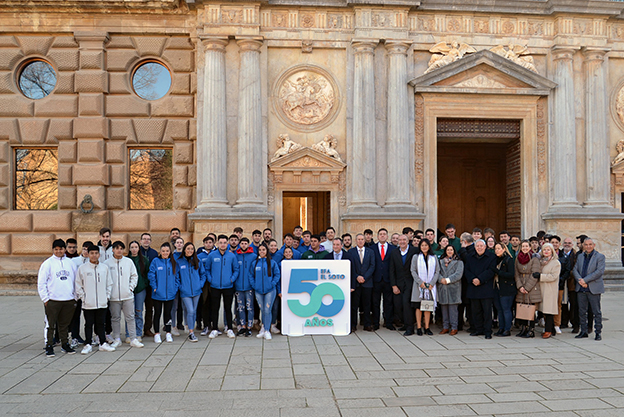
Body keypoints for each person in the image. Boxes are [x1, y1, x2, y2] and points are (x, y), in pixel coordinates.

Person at [38, 239, 78, 357]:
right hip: (53, 300)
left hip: (68, 299)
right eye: (56, 249)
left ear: (64, 249)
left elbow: (76, 280)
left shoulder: (70, 263)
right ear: (53, 250)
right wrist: (45, 299)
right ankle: (49, 345)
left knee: (64, 325)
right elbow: (41, 282)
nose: (59, 251)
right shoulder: (47, 263)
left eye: (61, 249)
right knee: (51, 324)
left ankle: (65, 344)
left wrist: (75, 296)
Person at [76, 244, 115, 354]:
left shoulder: (104, 268)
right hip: (88, 302)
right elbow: (78, 285)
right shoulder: (82, 268)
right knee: (88, 324)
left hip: (102, 302)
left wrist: (106, 296)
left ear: (99, 254)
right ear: (88, 254)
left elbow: (109, 283)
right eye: (91, 253)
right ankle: (88, 344)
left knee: (101, 323)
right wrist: (83, 298)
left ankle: (102, 343)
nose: (94, 255)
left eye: (96, 253)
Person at [105, 241, 143, 348]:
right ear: (112, 249)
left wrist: (130, 288)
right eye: (116, 248)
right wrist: (109, 293)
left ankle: (133, 338)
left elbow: (134, 276)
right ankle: (117, 338)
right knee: (115, 318)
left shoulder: (128, 262)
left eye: (121, 248)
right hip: (114, 297)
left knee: (130, 317)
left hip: (127, 296)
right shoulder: (107, 263)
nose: (119, 250)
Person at [203, 235, 239, 339]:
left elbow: (236, 269)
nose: (223, 244)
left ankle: (229, 329)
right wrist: (211, 279)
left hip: (228, 286)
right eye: (221, 242)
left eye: (224, 242)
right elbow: (207, 269)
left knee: (228, 308)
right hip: (215, 286)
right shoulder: (212, 255)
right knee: (215, 308)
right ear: (217, 243)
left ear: (227, 244)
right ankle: (214, 329)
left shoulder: (231, 256)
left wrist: (231, 279)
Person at [572, 238, 605, 341]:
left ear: (594, 245)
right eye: (586, 245)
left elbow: (599, 271)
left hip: (593, 287)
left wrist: (585, 280)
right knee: (582, 311)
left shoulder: (600, 257)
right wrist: (580, 281)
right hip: (581, 288)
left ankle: (598, 332)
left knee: (596, 312)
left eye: (590, 244)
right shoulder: (580, 256)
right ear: (583, 246)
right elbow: (575, 269)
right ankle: (583, 331)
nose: (588, 246)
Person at [464, 239, 496, 339]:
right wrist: (473, 279)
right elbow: (466, 270)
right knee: (475, 311)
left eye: (481, 246)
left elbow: (491, 270)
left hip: (486, 288)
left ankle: (487, 331)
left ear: (485, 247)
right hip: (474, 287)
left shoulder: (491, 257)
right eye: (477, 246)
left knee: (487, 311)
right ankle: (478, 329)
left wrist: (480, 279)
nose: (479, 248)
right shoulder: (470, 257)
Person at [148, 242, 179, 344]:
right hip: (158, 294)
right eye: (163, 251)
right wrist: (155, 287)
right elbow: (151, 274)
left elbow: (177, 277)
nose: (165, 253)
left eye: (167, 251)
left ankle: (168, 332)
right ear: (160, 252)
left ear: (170, 252)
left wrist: (175, 288)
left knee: (168, 314)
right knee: (157, 313)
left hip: (170, 293)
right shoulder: (156, 261)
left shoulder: (173, 262)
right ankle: (157, 333)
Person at [176, 242, 206, 343]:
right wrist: (181, 287)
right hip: (185, 292)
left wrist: (200, 284)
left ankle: (190, 329)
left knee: (193, 311)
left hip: (197, 291)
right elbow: (177, 277)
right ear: (184, 250)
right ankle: (191, 332)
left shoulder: (197, 261)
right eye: (188, 249)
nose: (190, 251)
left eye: (192, 249)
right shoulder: (179, 262)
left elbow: (203, 274)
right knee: (191, 311)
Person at [249, 243, 280, 340]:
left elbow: (277, 274)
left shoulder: (272, 262)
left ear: (267, 251)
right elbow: (251, 275)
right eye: (260, 250)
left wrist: (272, 284)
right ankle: (263, 329)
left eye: (264, 250)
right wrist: (254, 285)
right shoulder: (255, 263)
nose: (262, 251)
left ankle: (267, 330)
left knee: (267, 310)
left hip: (270, 290)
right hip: (258, 290)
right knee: (262, 310)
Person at [389, 234, 418, 336]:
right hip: (398, 283)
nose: (402, 241)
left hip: (411, 283)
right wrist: (393, 285)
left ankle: (410, 328)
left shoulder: (414, 251)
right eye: (400, 240)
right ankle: (406, 324)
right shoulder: (394, 253)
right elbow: (391, 270)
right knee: (398, 305)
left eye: (404, 240)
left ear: (408, 241)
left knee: (407, 305)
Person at [410, 239, 439, 336]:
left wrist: (432, 283)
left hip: (430, 287)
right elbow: (413, 271)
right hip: (419, 286)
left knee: (427, 306)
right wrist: (420, 282)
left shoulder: (433, 257)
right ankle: (418, 327)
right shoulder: (416, 257)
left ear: (429, 246)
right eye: (422, 245)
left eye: (426, 245)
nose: (424, 247)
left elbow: (437, 271)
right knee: (418, 307)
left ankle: (427, 327)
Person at [348, 234, 375, 331]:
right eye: (358, 239)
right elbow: (350, 266)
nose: (360, 241)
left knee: (367, 305)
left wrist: (364, 277)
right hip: (355, 283)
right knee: (354, 305)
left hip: (367, 282)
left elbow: (372, 266)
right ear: (355, 240)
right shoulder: (350, 252)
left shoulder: (370, 252)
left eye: (362, 239)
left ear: (365, 240)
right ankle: (353, 324)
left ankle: (367, 324)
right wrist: (357, 277)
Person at [515, 240, 541, 338]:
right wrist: (520, 286)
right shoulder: (518, 258)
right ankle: (523, 328)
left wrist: (527, 288)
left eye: (527, 246)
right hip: (521, 286)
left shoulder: (534, 258)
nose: (525, 248)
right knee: (522, 308)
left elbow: (535, 274)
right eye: (523, 246)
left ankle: (531, 330)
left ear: (530, 247)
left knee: (530, 309)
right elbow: (516, 273)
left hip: (531, 287)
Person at [372, 228, 395, 331]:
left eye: (384, 234)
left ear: (387, 236)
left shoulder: (392, 249)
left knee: (388, 302)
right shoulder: (372, 248)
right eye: (380, 234)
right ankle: (376, 323)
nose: (382, 236)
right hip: (376, 280)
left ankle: (388, 322)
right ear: (377, 236)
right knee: (375, 302)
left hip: (388, 279)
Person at [437, 245, 463, 335]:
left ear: (454, 251)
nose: (449, 251)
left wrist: (447, 280)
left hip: (453, 288)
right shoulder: (440, 262)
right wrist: (441, 279)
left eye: (451, 250)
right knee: (444, 309)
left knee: (453, 310)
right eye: (448, 250)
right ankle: (445, 327)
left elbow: (458, 274)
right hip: (443, 287)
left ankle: (454, 327)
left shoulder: (459, 262)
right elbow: (437, 272)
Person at [537, 243, 561, 339]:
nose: (546, 251)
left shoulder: (556, 263)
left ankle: (548, 330)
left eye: (548, 250)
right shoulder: (541, 261)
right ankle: (550, 329)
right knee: (543, 310)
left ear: (552, 251)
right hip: (542, 288)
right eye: (544, 250)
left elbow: (553, 276)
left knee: (549, 310)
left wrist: (540, 276)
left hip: (550, 289)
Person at [128, 241, 149, 343]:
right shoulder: (127, 260)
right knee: (129, 313)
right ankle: (129, 334)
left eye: (136, 247)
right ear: (129, 249)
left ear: (139, 248)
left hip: (140, 289)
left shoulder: (144, 260)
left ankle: (138, 333)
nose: (134, 249)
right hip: (128, 290)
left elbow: (147, 273)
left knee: (139, 312)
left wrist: (144, 283)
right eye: (132, 247)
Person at [492, 243, 515, 337]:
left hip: (507, 288)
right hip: (497, 288)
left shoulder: (509, 260)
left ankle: (507, 329)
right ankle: (501, 328)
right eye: (495, 249)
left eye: (499, 248)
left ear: (504, 249)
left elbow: (511, 275)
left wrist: (498, 272)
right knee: (499, 309)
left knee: (506, 309)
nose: (497, 250)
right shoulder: (495, 260)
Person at [550, 236, 571, 334]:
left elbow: (567, 270)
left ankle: (557, 324)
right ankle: (548, 324)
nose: (554, 244)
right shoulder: (545, 255)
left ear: (559, 244)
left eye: (556, 242)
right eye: (552, 242)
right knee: (547, 305)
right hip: (548, 285)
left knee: (558, 305)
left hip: (559, 285)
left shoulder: (564, 256)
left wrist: (560, 280)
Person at [235, 238, 256, 337]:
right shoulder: (236, 255)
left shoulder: (253, 256)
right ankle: (243, 326)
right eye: (242, 244)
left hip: (249, 287)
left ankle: (249, 327)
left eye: (245, 244)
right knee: (240, 307)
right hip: (239, 286)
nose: (244, 245)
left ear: (248, 244)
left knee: (250, 307)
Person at [139, 233, 158, 338]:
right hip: (140, 284)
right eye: (144, 239)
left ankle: (147, 328)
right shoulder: (137, 251)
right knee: (138, 308)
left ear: (150, 241)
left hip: (151, 285)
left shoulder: (154, 253)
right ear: (141, 241)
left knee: (150, 308)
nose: (146, 241)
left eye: (148, 239)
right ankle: (138, 329)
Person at [562, 237, 579, 332]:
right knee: (563, 303)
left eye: (569, 243)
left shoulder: (576, 255)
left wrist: (569, 274)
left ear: (572, 245)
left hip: (572, 283)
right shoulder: (560, 254)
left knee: (573, 303)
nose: (567, 244)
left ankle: (573, 322)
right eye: (565, 243)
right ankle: (564, 321)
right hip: (562, 283)